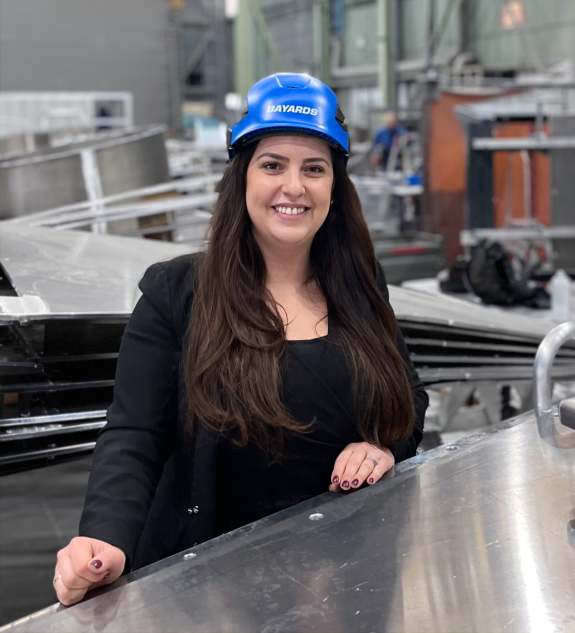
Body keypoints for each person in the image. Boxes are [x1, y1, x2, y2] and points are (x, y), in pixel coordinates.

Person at [53, 73, 427, 606]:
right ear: (243, 177)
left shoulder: (360, 286)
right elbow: (135, 434)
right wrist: (105, 536)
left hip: (348, 580)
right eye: (273, 165)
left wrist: (383, 447)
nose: (293, 186)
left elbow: (409, 396)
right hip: (213, 588)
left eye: (314, 168)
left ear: (335, 189)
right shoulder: (178, 293)